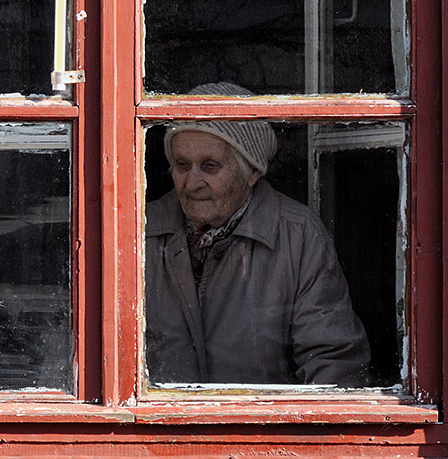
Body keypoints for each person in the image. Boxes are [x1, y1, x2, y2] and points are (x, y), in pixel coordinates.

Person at [144, 82, 370, 387]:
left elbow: (333, 363)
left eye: (210, 166)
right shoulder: (141, 230)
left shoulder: (298, 236)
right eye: (182, 165)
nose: (191, 182)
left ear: (252, 172)